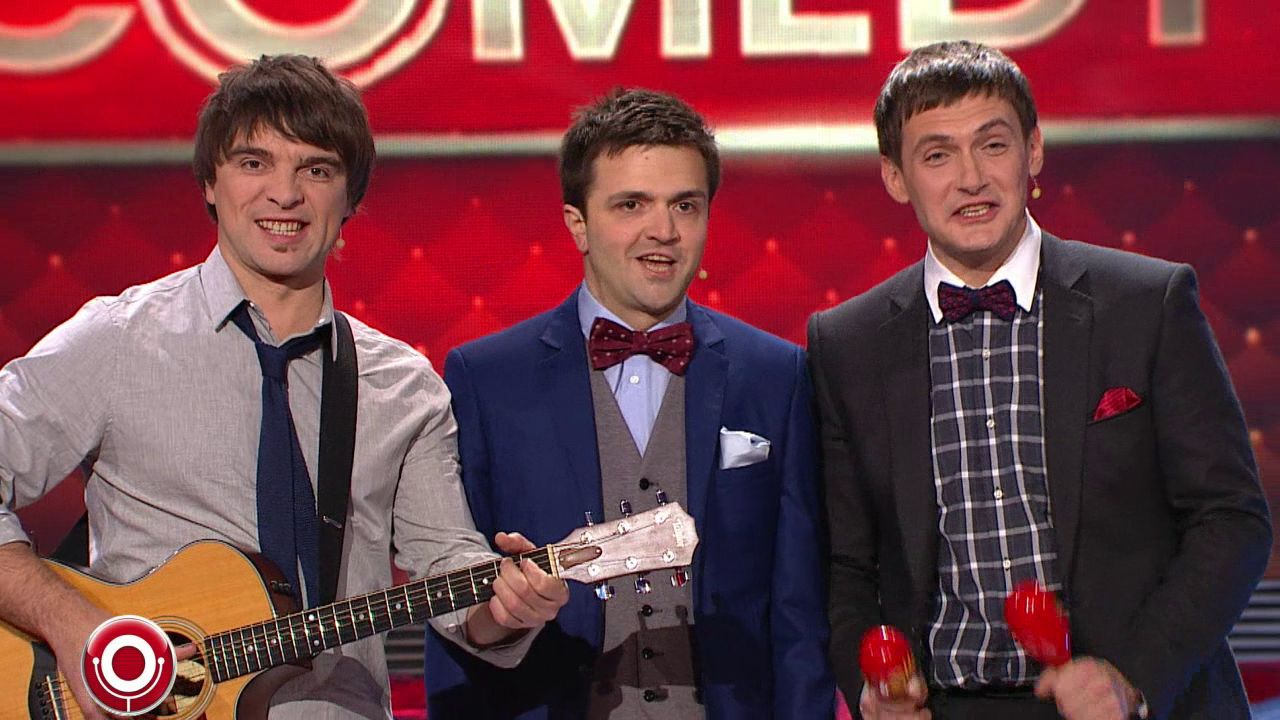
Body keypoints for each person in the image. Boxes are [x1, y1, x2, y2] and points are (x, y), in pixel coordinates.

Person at [0, 54, 566, 720]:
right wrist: (74, 627)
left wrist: (507, 610)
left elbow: (448, 566)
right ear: (210, 182)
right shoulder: (117, 340)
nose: (285, 195)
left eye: (316, 170)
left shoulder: (404, 387)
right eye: (254, 163)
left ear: (350, 198)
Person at [808, 40, 1272, 720]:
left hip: (1132, 704)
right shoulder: (846, 344)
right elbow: (846, 566)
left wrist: (1134, 679)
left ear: (1033, 151)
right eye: (937, 155)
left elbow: (1231, 521)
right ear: (895, 177)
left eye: (992, 145)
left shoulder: (1147, 303)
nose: (971, 178)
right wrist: (867, 688)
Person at [423, 88, 834, 718]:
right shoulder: (485, 379)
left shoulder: (777, 373)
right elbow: (453, 605)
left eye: (684, 205)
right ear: (578, 224)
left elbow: (799, 609)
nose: (663, 231)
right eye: (631, 204)